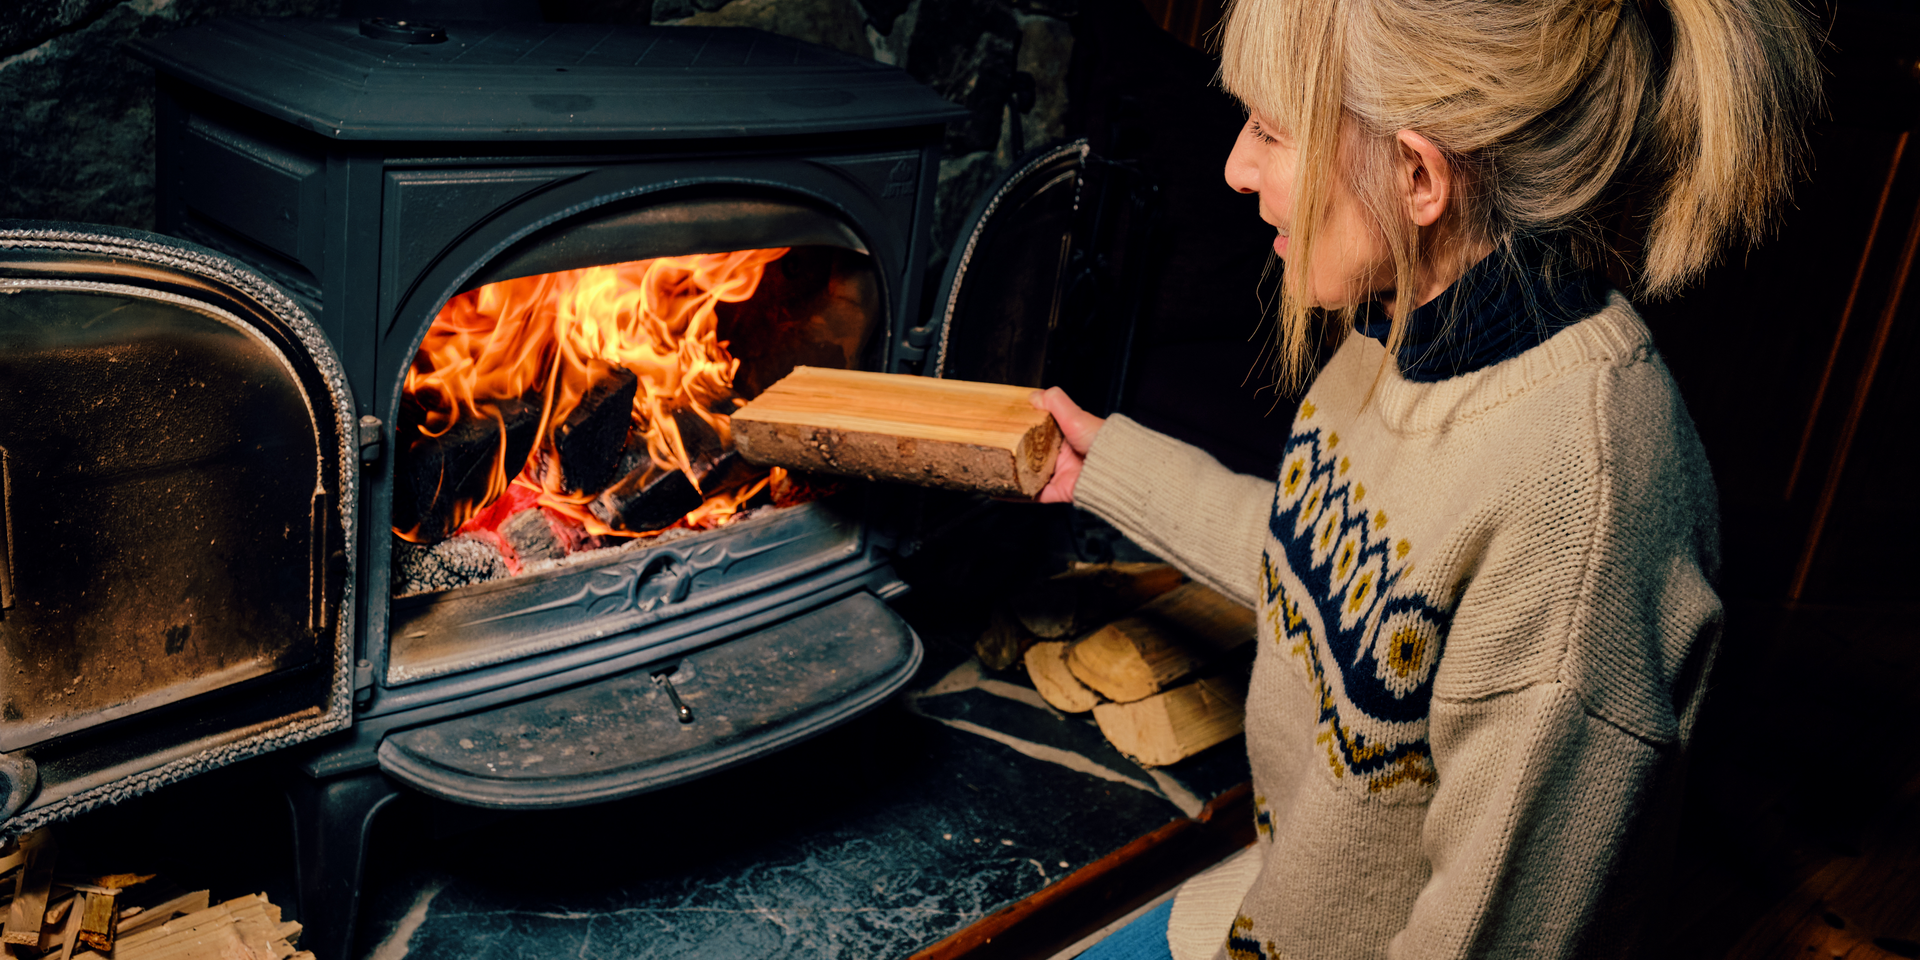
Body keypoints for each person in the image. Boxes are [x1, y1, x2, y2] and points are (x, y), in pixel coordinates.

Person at [1033, 0, 1819, 957]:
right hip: (1273, 918)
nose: (1236, 168)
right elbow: (1327, 583)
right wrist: (1105, 465)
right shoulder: (1397, 326)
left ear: (1417, 175)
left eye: (1273, 132)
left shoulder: (1582, 517)